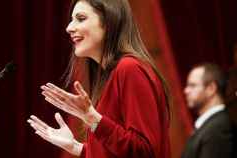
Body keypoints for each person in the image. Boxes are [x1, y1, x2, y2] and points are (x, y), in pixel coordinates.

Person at [27, 0, 171, 157]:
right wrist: (76, 147)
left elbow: (145, 151)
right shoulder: (111, 74)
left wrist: (92, 118)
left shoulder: (130, 68)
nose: (69, 28)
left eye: (81, 18)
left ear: (109, 22)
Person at [182, 63, 236, 158]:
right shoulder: (210, 125)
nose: (186, 91)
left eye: (192, 85)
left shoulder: (219, 127)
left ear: (211, 88)